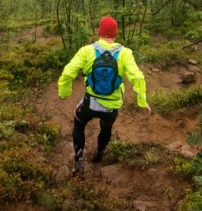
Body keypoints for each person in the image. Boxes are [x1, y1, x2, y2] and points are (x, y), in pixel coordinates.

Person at [58, 16, 151, 174]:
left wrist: (64, 92)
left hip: (90, 103)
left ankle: (79, 161)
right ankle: (99, 153)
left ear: (99, 32)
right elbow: (138, 77)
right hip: (112, 105)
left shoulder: (86, 50)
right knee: (106, 128)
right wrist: (142, 101)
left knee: (79, 123)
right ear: (116, 33)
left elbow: (67, 73)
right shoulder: (125, 53)